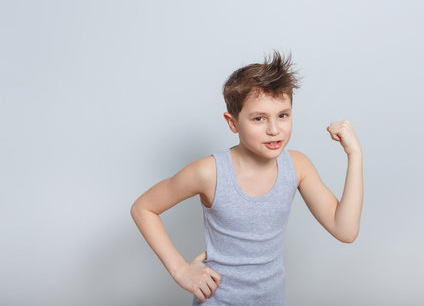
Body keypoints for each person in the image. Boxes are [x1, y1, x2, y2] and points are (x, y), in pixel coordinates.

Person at [130, 51, 364, 305]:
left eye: (283, 115)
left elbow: (345, 230)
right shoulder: (210, 172)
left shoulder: (298, 166)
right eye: (259, 118)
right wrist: (180, 270)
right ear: (233, 123)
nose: (274, 129)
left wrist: (355, 155)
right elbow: (144, 208)